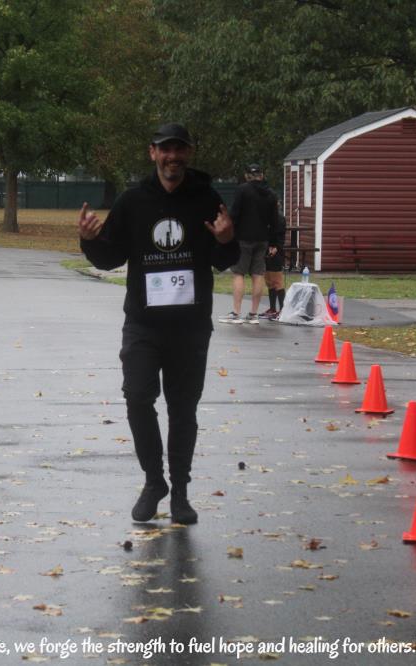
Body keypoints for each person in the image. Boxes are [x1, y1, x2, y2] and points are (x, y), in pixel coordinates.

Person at [78, 122, 239, 524]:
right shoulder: (133, 201)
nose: (173, 157)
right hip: (143, 326)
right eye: (165, 150)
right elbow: (109, 258)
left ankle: (180, 492)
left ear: (189, 153)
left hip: (190, 328)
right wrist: (89, 240)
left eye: (179, 149)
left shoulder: (206, 199)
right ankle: (154, 482)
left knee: (183, 409)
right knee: (137, 397)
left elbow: (225, 260)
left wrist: (226, 240)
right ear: (153, 153)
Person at [219, 164, 279, 325]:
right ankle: (253, 314)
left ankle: (236, 313)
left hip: (243, 238)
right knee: (258, 274)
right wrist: (274, 243)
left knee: (239, 273)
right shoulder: (271, 194)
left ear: (247, 176)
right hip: (263, 239)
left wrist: (229, 234)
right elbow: (275, 220)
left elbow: (234, 214)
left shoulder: (242, 190)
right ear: (262, 175)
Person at [260, 202, 287, 319]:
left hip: (276, 252)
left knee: (277, 281)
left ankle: (283, 310)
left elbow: (279, 237)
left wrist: (275, 247)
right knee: (269, 281)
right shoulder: (267, 217)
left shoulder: (279, 218)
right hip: (266, 250)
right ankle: (272, 309)